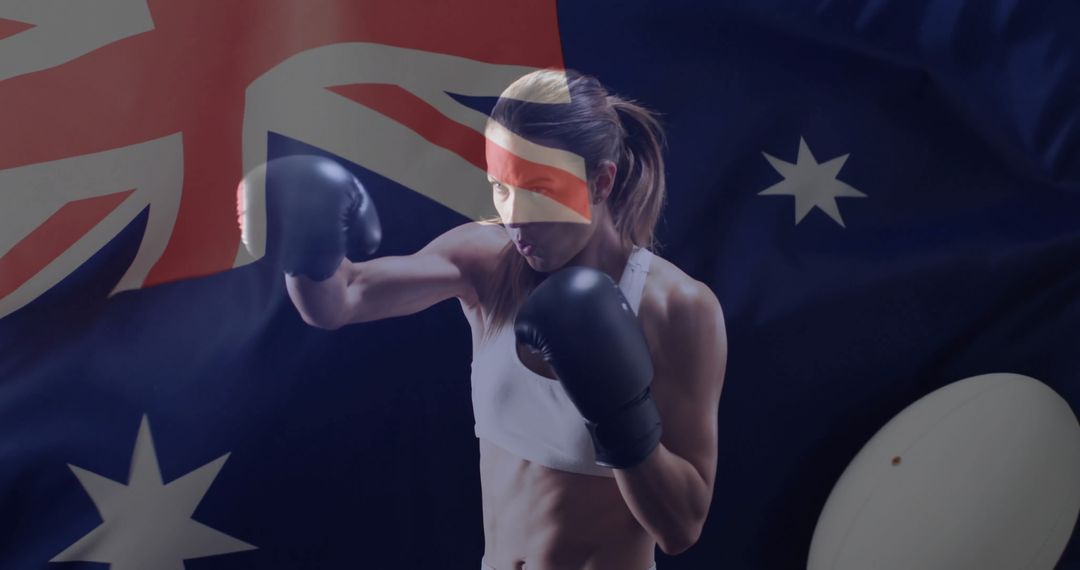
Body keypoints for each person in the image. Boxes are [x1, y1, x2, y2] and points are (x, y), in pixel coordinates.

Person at [239, 68, 727, 570]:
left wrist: (622, 416)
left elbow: (681, 528)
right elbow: (340, 299)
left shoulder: (677, 309)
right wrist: (302, 247)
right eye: (500, 187)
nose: (513, 215)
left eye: (538, 188)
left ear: (600, 181)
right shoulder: (487, 261)